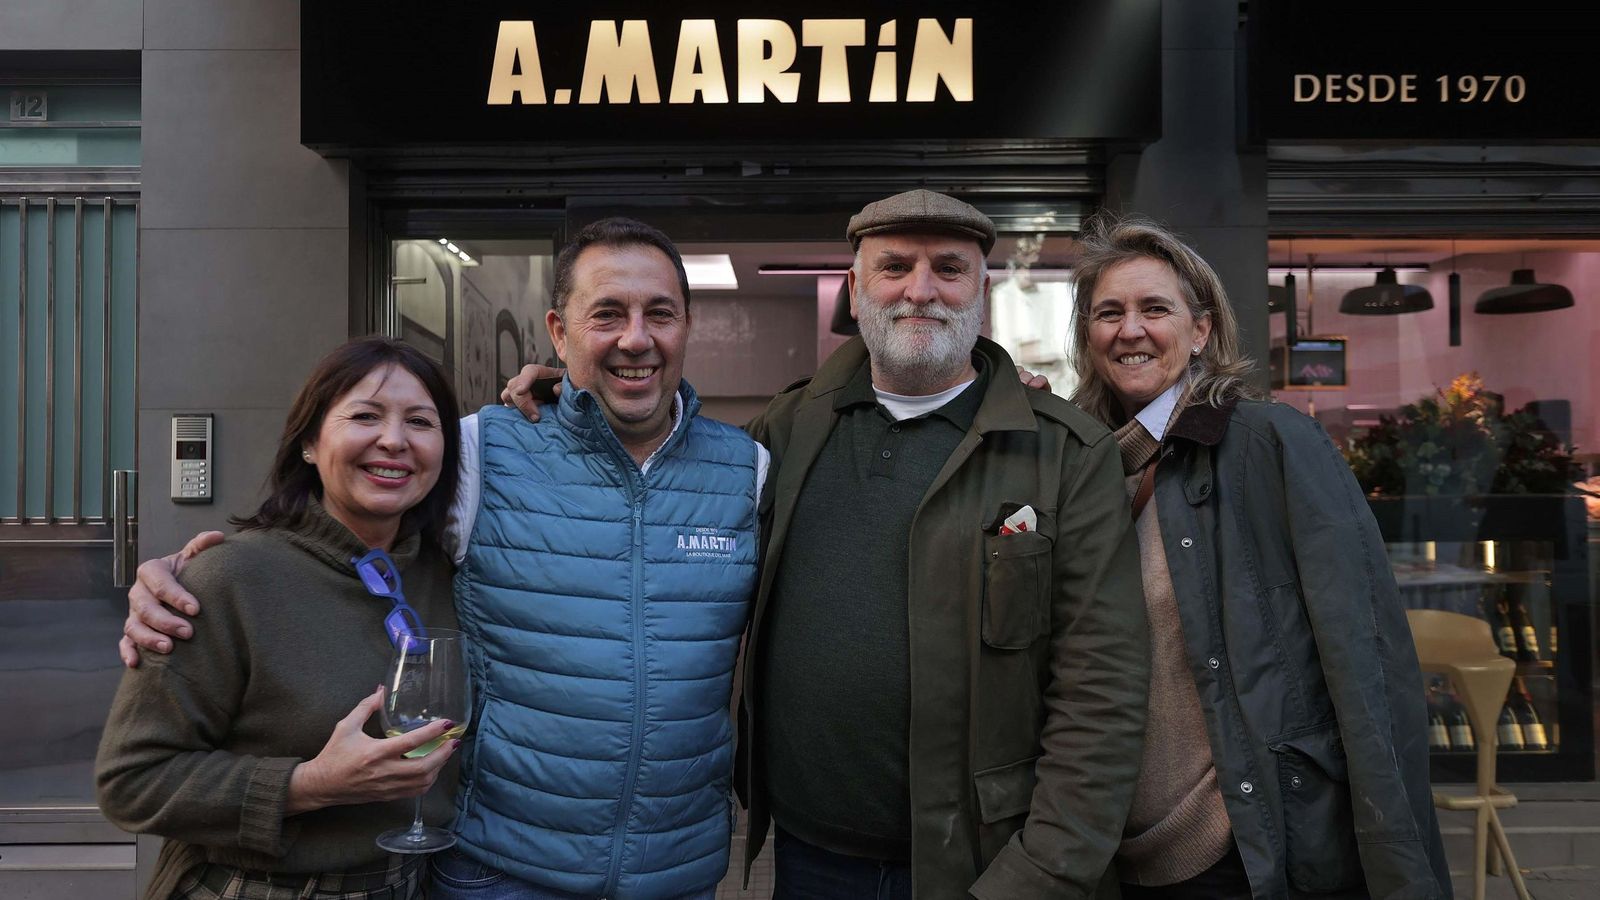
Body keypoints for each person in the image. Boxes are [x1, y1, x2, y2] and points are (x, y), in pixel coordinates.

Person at [118, 218, 765, 900]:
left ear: (687, 325)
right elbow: (343, 542)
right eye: (607, 313)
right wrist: (197, 575)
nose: (636, 338)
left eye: (659, 313)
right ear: (558, 331)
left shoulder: (747, 469)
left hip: (678, 871)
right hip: (499, 871)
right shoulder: (480, 453)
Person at [734, 190, 1149, 899]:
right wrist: (575, 402)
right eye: (895, 266)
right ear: (856, 287)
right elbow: (670, 474)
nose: (920, 291)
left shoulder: (1065, 455)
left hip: (985, 864)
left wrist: (1040, 874)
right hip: (807, 858)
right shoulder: (789, 428)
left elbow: (1101, 699)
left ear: (980, 291)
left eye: (948, 269)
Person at [1068, 215, 1449, 898]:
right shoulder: (1079, 472)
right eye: (1109, 312)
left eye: (1155, 308)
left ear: (1202, 329)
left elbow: (1366, 661)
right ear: (1087, 336)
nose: (1130, 329)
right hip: (1110, 853)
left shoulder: (1270, 445)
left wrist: (1397, 859)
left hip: (1243, 849)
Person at [96, 336, 464, 900]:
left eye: (420, 421)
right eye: (365, 415)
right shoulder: (228, 578)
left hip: (412, 885)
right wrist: (307, 786)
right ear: (310, 444)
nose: (394, 440)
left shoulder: (446, 575)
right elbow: (131, 781)